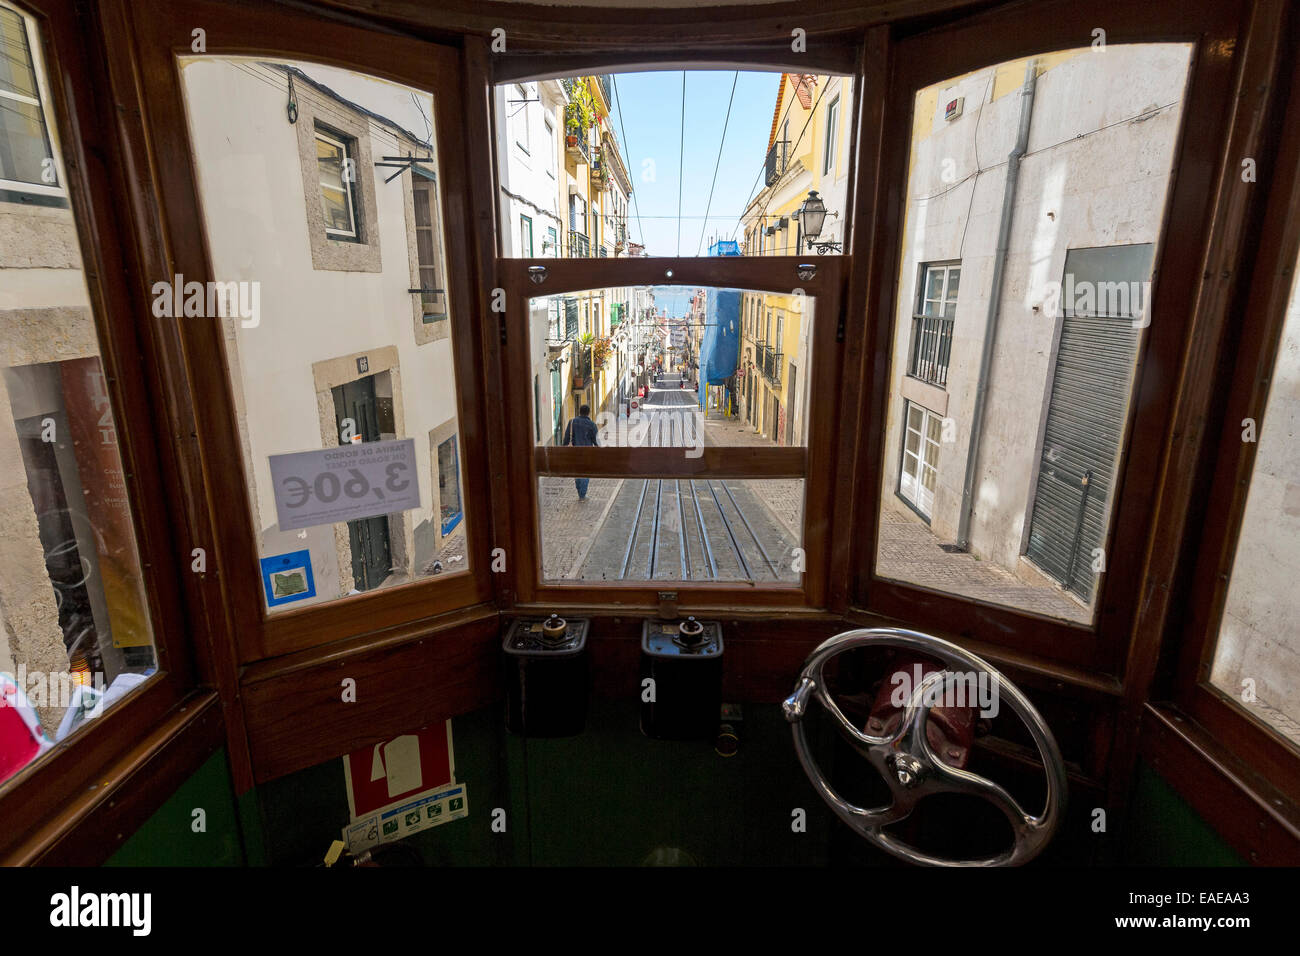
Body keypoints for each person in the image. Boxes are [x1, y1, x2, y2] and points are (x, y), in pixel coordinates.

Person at [562, 403, 599, 499]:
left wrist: (563, 449)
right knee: (585, 472)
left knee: (577, 471)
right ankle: (582, 494)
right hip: (587, 452)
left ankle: (580, 491)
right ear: (588, 413)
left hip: (574, 452)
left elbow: (566, 438)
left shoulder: (572, 422)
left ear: (579, 412)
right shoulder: (592, 425)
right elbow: (597, 440)